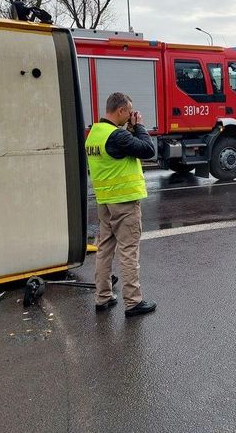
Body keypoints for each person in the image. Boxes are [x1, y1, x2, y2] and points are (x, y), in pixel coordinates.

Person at [85, 92, 157, 316]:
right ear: (121, 111)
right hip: (124, 203)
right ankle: (133, 302)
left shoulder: (95, 134)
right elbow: (148, 150)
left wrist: (130, 128)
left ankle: (103, 297)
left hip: (105, 202)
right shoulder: (116, 136)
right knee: (128, 251)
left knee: (104, 249)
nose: (130, 117)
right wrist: (140, 127)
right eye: (129, 111)